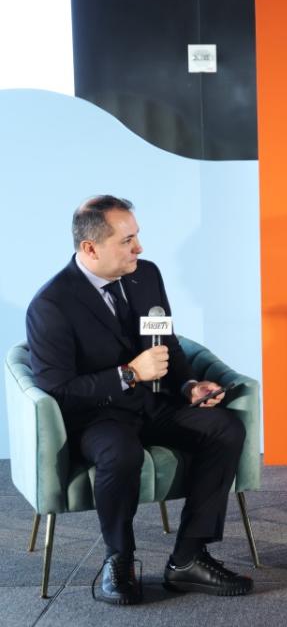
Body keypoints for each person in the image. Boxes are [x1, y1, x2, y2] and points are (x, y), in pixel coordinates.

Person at [26, 195, 253, 605]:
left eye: (138, 236)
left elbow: (165, 342)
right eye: (128, 240)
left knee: (225, 428)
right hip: (98, 417)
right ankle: (120, 559)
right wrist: (128, 374)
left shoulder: (145, 275)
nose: (139, 248)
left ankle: (188, 559)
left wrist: (188, 387)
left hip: (154, 403)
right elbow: (59, 391)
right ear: (90, 249)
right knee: (121, 455)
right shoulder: (51, 305)